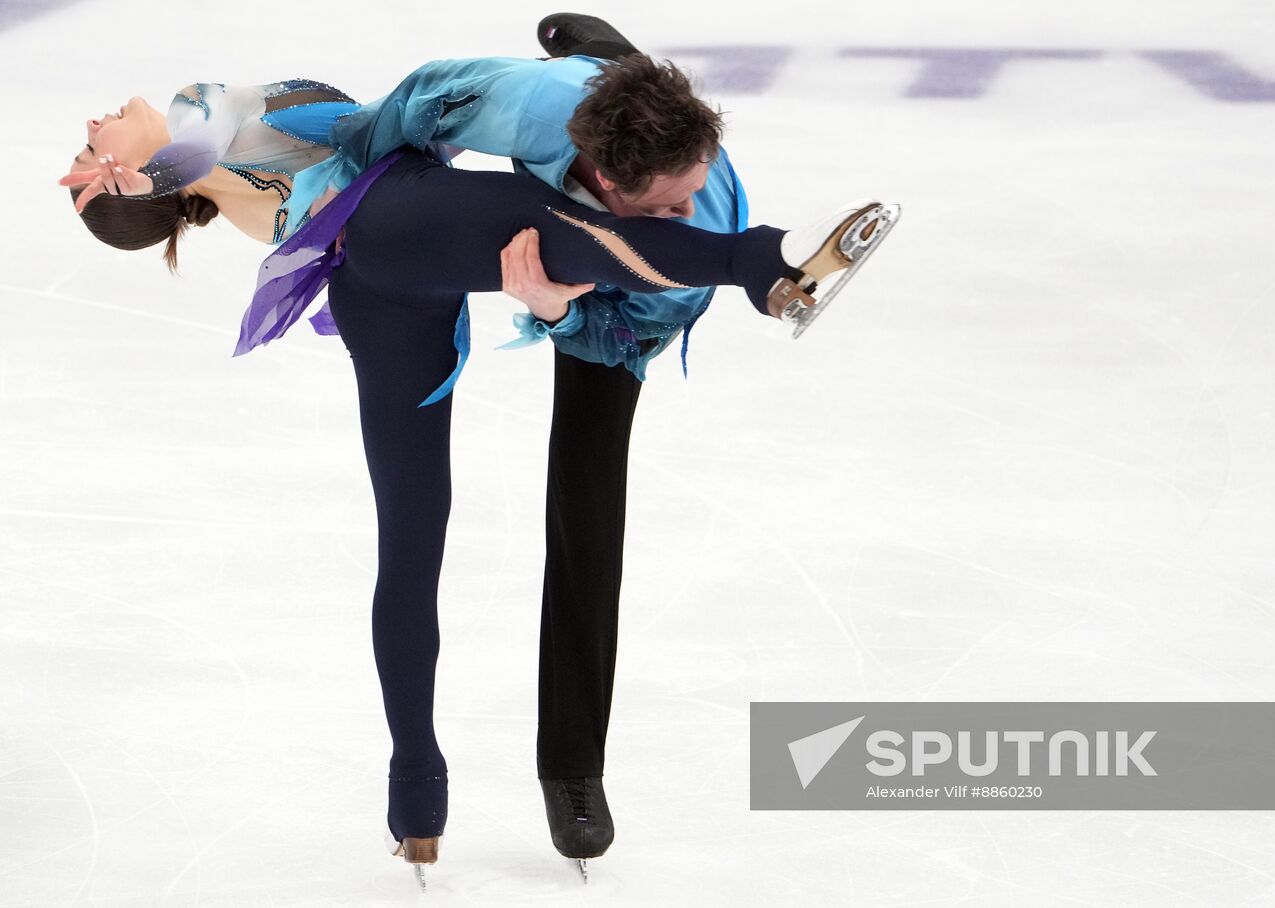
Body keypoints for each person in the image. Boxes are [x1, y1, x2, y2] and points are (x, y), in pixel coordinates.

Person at [59, 42, 900, 886]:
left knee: (410, 542)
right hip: (397, 221)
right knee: (564, 232)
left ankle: (416, 795)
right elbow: (211, 129)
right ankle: (765, 261)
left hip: (372, 288)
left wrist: (146, 175)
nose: (94, 124)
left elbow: (401, 114)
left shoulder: (215, 177)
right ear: (129, 180)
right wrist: (149, 173)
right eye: (88, 151)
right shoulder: (193, 121)